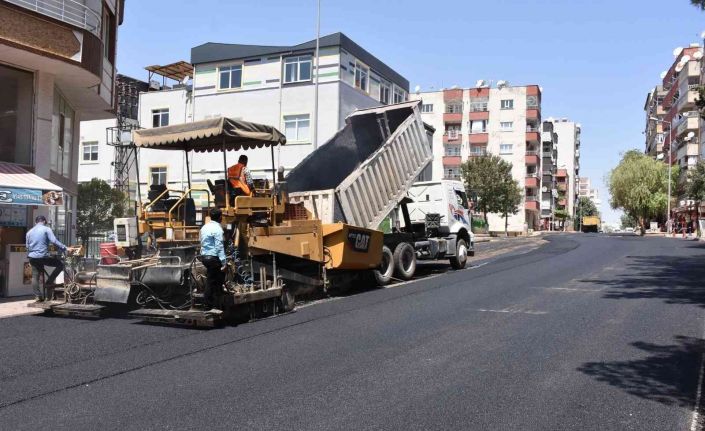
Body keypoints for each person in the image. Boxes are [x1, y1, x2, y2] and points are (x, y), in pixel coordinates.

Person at [26, 215, 67, 301]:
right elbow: (54, 241)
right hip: (43, 257)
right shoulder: (46, 229)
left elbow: (27, 247)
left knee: (35, 276)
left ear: (35, 222)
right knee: (60, 265)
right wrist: (64, 248)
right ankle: (49, 282)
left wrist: (31, 255)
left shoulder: (29, 232)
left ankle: (37, 296)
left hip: (32, 257)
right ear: (44, 221)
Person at [199, 207, 226, 307]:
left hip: (204, 257)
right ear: (220, 217)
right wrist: (224, 262)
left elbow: (201, 241)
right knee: (214, 280)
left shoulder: (204, 227)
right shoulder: (217, 229)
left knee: (215, 277)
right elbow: (219, 247)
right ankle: (209, 303)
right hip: (213, 258)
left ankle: (216, 299)